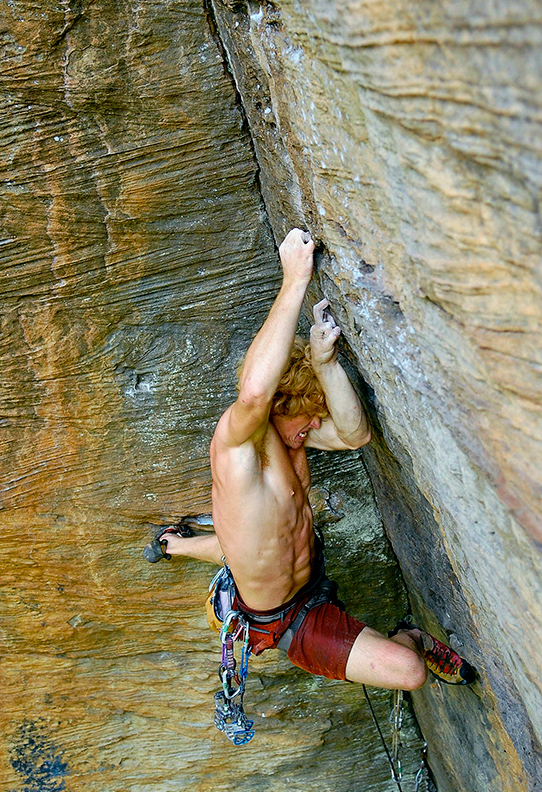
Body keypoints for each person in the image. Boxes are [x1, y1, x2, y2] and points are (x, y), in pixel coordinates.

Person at [144, 228, 474, 690]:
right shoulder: (235, 446)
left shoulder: (296, 441)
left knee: (244, 543)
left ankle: (175, 543)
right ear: (283, 403)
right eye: (309, 414)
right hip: (284, 620)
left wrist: (325, 365)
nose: (315, 426)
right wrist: (294, 279)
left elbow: (356, 434)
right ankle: (412, 637)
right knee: (409, 671)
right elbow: (255, 392)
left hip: (307, 577)